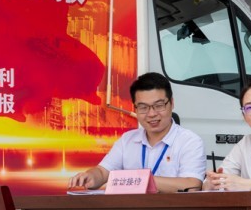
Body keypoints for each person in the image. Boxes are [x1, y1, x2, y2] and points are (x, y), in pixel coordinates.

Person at [69, 72, 206, 192]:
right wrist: (91, 176)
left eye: (159, 106)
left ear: (172, 103)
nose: (151, 114)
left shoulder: (189, 141)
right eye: (143, 107)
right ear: (135, 108)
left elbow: (192, 185)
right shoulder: (127, 140)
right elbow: (103, 172)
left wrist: (139, 179)